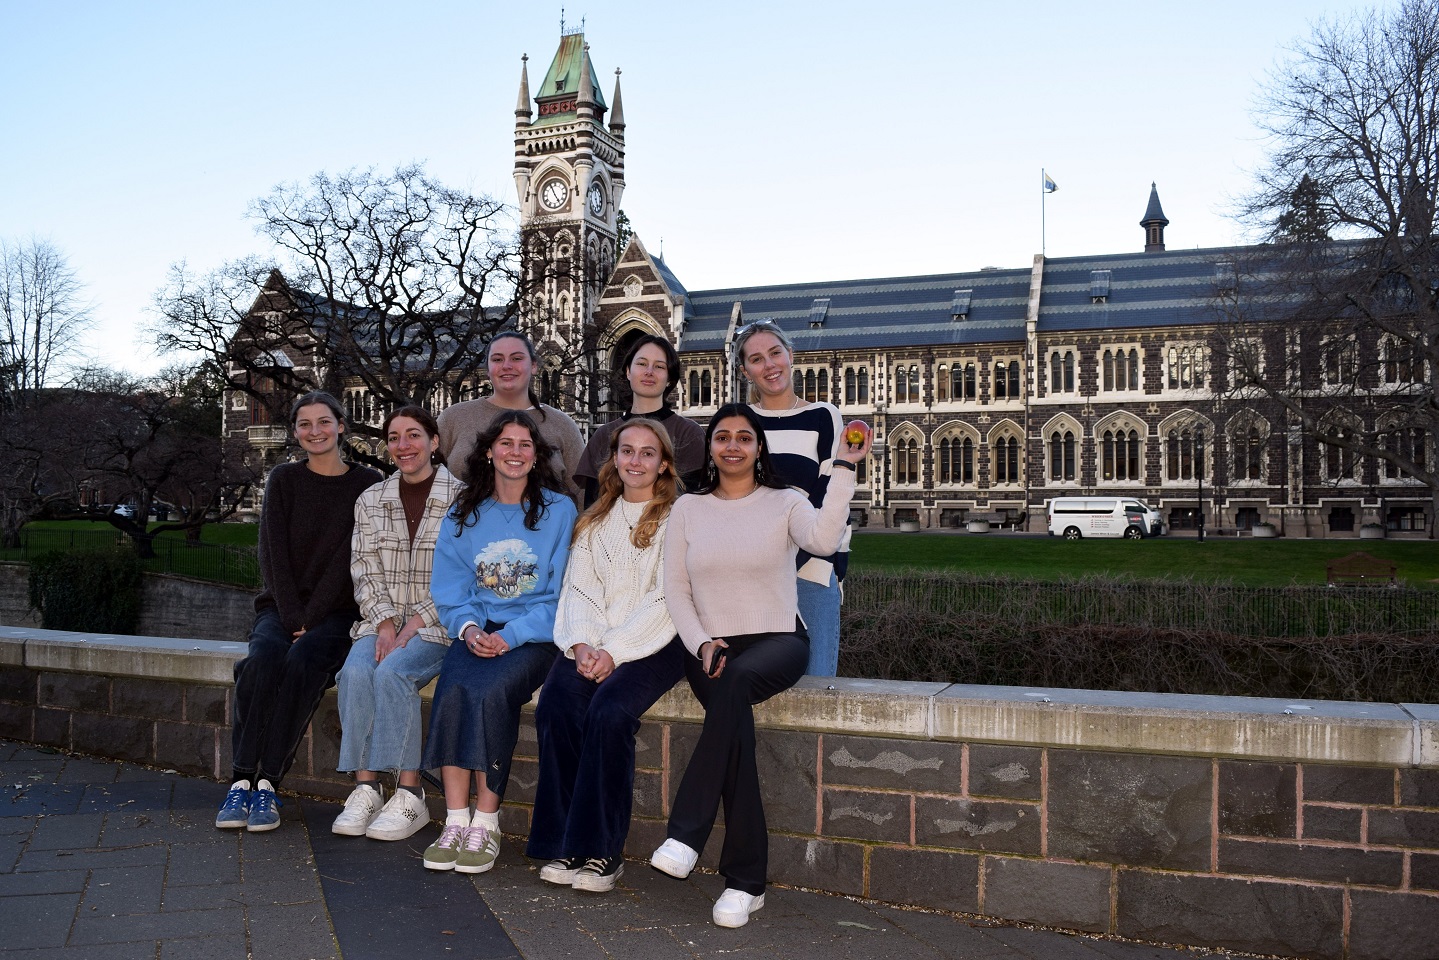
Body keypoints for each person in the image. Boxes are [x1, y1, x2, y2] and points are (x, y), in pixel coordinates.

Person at [650, 403, 869, 927]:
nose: (732, 446)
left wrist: (844, 468)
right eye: (722, 437)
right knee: (735, 735)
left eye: (743, 437)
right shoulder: (688, 509)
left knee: (739, 682)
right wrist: (701, 642)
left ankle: (685, 833)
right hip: (710, 644)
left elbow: (823, 539)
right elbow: (675, 589)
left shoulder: (786, 501)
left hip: (778, 638)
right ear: (710, 449)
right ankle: (746, 884)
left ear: (757, 447)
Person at [527, 418, 686, 892]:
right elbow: (579, 591)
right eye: (627, 451)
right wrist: (583, 645)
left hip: (659, 640)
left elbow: (668, 597)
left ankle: (601, 851)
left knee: (610, 712)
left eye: (647, 453)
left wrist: (614, 651)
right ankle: (563, 843)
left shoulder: (679, 519)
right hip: (594, 642)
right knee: (556, 702)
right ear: (614, 458)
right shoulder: (594, 519)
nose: (635, 460)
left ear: (663, 465)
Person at [217, 392, 382, 832]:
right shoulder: (284, 480)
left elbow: (349, 558)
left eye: (324, 422)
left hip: (337, 612)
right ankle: (240, 781)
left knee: (304, 660)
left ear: (341, 427)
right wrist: (292, 617)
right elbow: (272, 554)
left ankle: (268, 782)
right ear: (295, 432)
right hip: (281, 606)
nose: (315, 431)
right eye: (305, 424)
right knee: (263, 661)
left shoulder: (364, 483)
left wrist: (311, 619)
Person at [420, 410, 577, 874]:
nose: (514, 452)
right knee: (453, 689)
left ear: (536, 455)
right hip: (475, 630)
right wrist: (469, 630)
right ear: (489, 451)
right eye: (505, 443)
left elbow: (562, 593)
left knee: (490, 694)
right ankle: (455, 819)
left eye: (524, 445)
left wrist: (510, 636)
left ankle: (486, 821)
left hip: (533, 635)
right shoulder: (464, 513)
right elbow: (450, 587)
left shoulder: (558, 511)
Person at [331, 406, 463, 840]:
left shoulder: (462, 500)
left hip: (437, 625)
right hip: (379, 620)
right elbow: (363, 566)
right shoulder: (371, 499)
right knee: (354, 671)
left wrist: (413, 623)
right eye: (394, 438)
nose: (403, 446)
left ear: (433, 442)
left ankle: (410, 795)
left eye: (413, 436)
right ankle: (366, 787)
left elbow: (461, 575)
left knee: (394, 673)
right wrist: (385, 621)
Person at [732, 318, 851, 678]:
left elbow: (831, 490)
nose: (769, 365)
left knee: (816, 684)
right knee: (754, 686)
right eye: (756, 359)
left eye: (774, 353)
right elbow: (734, 496)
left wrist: (792, 553)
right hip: (752, 575)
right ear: (745, 371)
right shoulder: (740, 421)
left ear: (790, 355)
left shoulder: (823, 415)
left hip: (811, 568)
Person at [437, 330, 583, 503]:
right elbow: (427, 479)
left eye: (516, 358)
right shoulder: (453, 418)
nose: (506, 366)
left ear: (534, 366)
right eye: (497, 359)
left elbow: (581, 495)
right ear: (488, 368)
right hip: (462, 526)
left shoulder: (563, 425)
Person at [573, 335, 705, 506]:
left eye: (659, 366)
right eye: (642, 364)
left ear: (670, 379)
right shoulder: (603, 436)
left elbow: (693, 502)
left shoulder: (688, 434)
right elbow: (592, 504)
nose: (649, 371)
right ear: (628, 371)